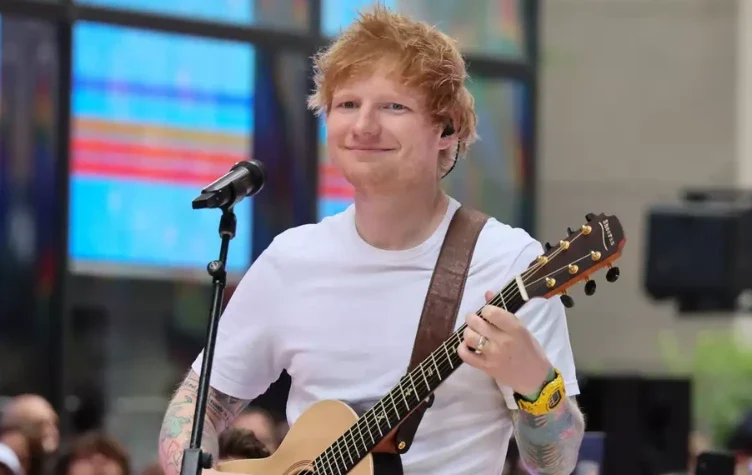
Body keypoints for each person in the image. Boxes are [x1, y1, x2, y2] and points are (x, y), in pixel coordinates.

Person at [158, 6, 584, 475]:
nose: (363, 126)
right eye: (347, 105)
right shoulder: (291, 259)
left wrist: (534, 382)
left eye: (393, 106)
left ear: (447, 129)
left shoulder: (508, 262)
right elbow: (200, 403)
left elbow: (555, 463)